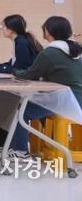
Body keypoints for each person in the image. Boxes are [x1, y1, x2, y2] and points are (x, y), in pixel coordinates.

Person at [5, 16, 82, 156]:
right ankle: (52, 140)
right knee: (37, 104)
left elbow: (30, 74)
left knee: (21, 110)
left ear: (48, 31)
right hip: (78, 99)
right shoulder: (77, 50)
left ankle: (20, 151)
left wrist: (14, 71)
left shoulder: (50, 52)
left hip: (64, 100)